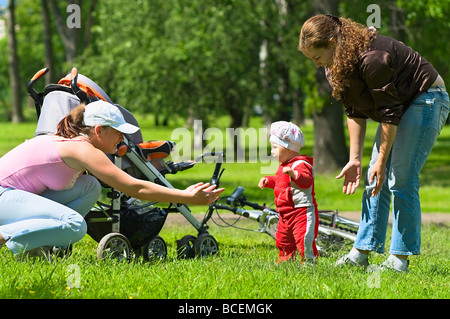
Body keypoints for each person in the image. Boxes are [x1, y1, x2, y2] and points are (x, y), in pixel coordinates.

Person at [299, 14, 449, 272]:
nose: (316, 65)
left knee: (399, 177)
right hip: (399, 108)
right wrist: (354, 159)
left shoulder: (372, 58)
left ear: (334, 42)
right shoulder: (334, 66)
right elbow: (354, 111)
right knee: (373, 177)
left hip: (426, 99)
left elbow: (390, 111)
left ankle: (399, 259)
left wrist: (381, 159)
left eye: (316, 57)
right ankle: (362, 251)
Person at [0, 100, 224, 258]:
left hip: (12, 197)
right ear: (98, 130)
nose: (122, 137)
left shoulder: (74, 141)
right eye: (117, 131)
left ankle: (31, 244)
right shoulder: (83, 150)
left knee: (89, 186)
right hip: (3, 196)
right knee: (75, 225)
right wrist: (187, 196)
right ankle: (7, 236)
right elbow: (134, 187)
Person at [258, 121, 319, 264]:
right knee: (283, 239)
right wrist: (269, 181)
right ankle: (285, 262)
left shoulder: (301, 164)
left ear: (289, 148)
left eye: (275, 147)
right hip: (285, 213)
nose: (272, 151)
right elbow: (281, 182)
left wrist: (294, 174)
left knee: (303, 239)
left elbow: (307, 181)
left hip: (301, 212)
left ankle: (309, 263)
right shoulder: (284, 166)